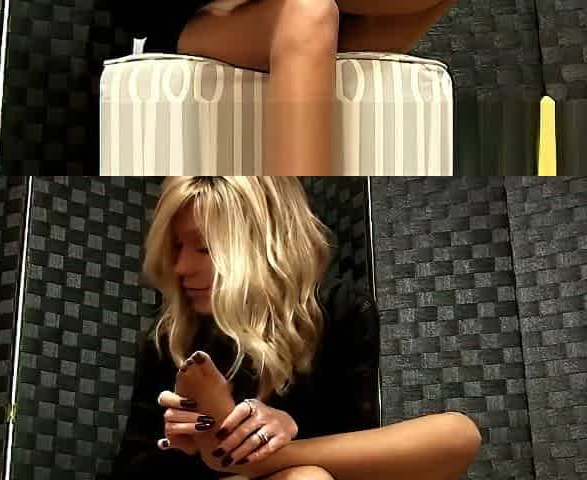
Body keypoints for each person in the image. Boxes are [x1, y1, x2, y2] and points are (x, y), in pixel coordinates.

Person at [109, 177, 481, 480]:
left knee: (459, 432)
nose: (180, 267)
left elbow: (358, 450)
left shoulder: (339, 311)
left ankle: (253, 460)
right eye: (177, 247)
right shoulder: (172, 337)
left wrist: (280, 437)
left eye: (204, 248)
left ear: (263, 243)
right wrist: (182, 446)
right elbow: (132, 470)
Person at [110, 1, 457, 176]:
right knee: (308, 12)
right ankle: (287, 230)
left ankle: (321, 49)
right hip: (189, 22)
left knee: (309, 14)